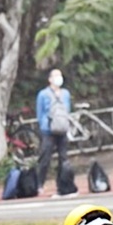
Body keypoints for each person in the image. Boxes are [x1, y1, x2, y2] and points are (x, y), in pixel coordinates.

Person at [35, 68, 78, 198]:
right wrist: (44, 126)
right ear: (50, 79)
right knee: (45, 158)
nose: (59, 78)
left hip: (62, 128)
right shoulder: (43, 94)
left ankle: (62, 184)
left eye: (60, 75)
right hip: (48, 130)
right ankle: (39, 184)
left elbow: (67, 110)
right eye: (55, 76)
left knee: (63, 158)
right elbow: (40, 112)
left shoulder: (65, 93)